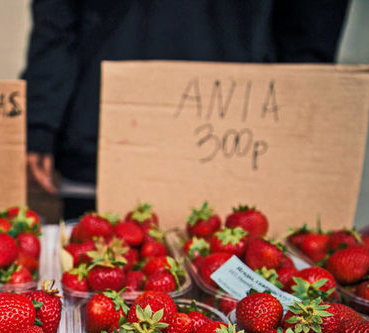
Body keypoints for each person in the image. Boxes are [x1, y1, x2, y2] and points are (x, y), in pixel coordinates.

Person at [24, 0, 350, 220]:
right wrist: (40, 122)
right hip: (104, 134)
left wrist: (300, 117)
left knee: (234, 270)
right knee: (96, 261)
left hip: (237, 133)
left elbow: (311, 26)